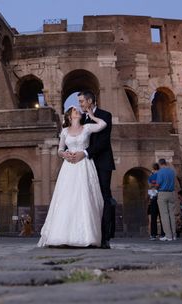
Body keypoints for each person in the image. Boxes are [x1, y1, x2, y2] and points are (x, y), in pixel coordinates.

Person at [38, 105, 107, 247]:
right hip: (69, 167)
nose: (78, 112)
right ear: (70, 116)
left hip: (84, 165)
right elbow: (60, 149)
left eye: (78, 110)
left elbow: (103, 124)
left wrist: (92, 115)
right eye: (75, 111)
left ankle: (87, 236)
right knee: (66, 198)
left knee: (84, 196)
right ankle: (61, 236)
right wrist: (65, 154)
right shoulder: (64, 131)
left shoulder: (87, 127)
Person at [75, 90, 115, 249]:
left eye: (82, 101)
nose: (80, 104)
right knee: (86, 198)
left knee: (104, 198)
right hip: (85, 165)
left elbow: (104, 141)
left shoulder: (105, 115)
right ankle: (88, 235)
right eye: (79, 102)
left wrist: (85, 153)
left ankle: (105, 237)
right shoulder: (80, 119)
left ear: (90, 101)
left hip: (102, 163)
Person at [156, 158, 177, 241]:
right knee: (172, 215)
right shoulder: (172, 171)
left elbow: (158, 183)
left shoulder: (160, 172)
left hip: (163, 193)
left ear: (160, 164)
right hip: (171, 193)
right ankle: (174, 235)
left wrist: (154, 189)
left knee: (164, 215)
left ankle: (168, 236)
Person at [147, 163, 160, 240]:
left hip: (153, 196)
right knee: (162, 217)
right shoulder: (161, 175)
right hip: (160, 195)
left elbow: (149, 185)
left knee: (153, 217)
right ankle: (163, 234)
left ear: (153, 168)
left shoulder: (151, 176)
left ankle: (153, 235)